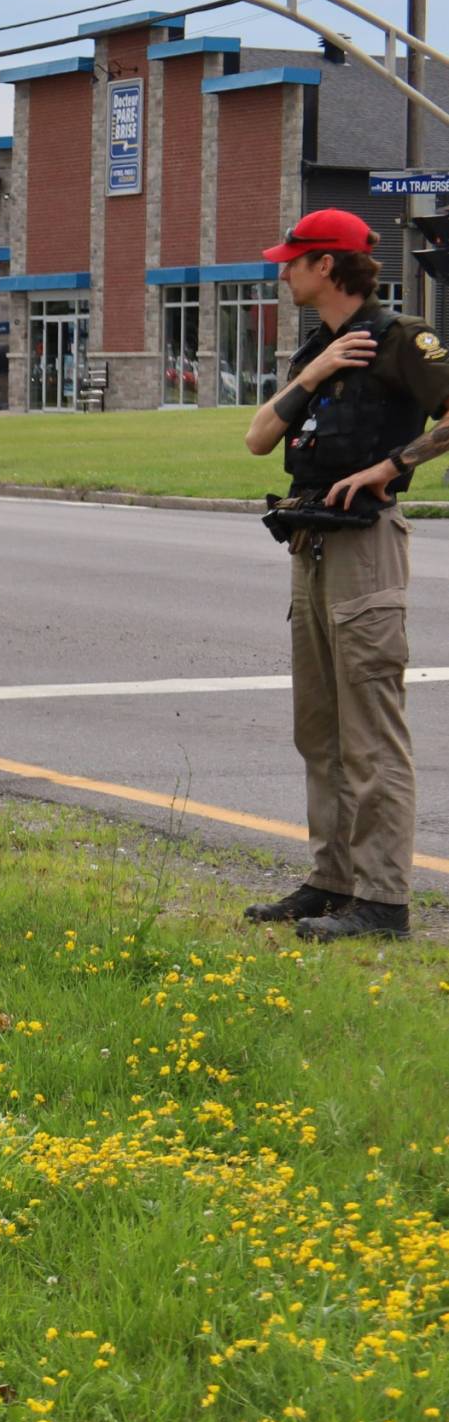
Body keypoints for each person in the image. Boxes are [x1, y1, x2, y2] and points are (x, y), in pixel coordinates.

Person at [241, 209, 449, 942]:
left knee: (369, 734)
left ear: (326, 266)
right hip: (311, 545)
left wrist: (393, 466)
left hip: (365, 545)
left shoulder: (401, 341)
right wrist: (318, 371)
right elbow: (257, 438)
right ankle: (331, 881)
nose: (281, 269)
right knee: (319, 729)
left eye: (291, 259)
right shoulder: (319, 348)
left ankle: (383, 901)